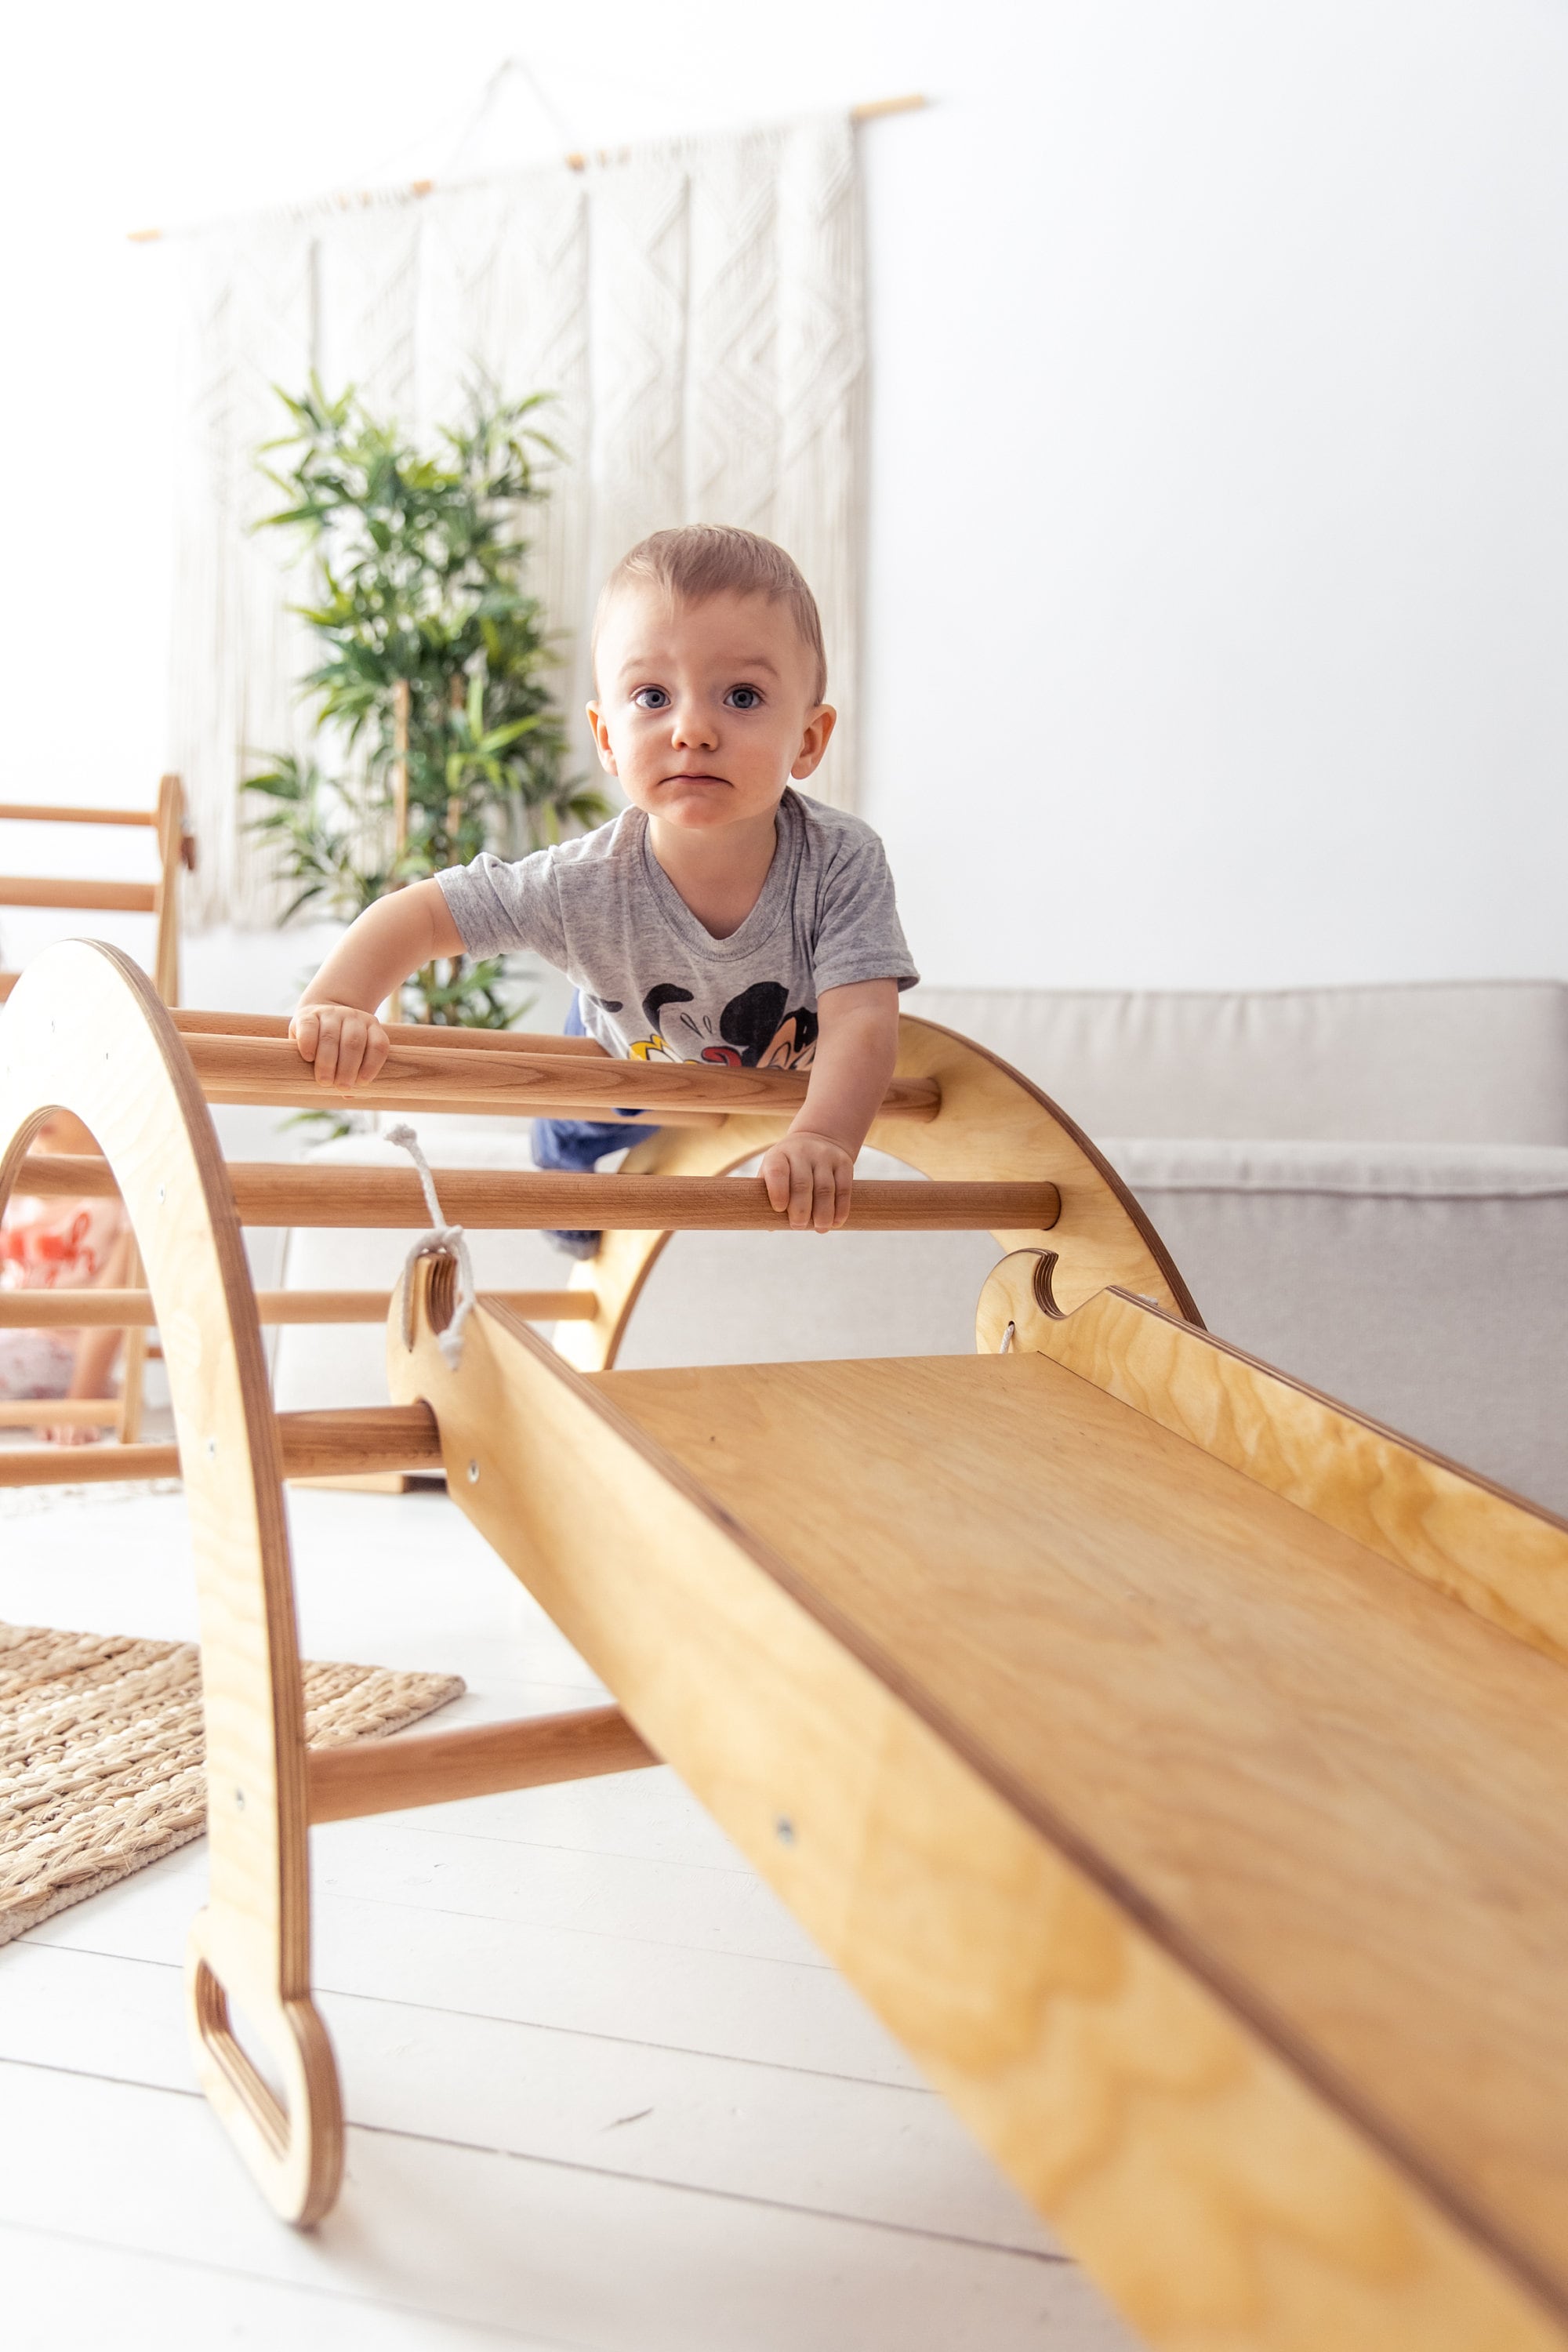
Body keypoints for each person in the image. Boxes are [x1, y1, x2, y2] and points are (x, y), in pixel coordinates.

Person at [289, 525, 919, 1253]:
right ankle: (564, 1190)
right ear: (607, 737)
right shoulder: (582, 882)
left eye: (742, 696)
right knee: (571, 1144)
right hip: (625, 1057)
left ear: (808, 740)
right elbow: (426, 913)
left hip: (769, 1069)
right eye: (652, 695)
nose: (692, 729)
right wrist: (337, 1002)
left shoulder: (842, 862)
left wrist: (823, 1137)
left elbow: (865, 1021)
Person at [0, 1109, 133, 1443]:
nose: (47, 1105)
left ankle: (76, 1397)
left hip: (64, 1351)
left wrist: (80, 1405)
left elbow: (112, 1307)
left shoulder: (123, 1193)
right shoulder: (14, 1179)